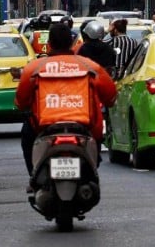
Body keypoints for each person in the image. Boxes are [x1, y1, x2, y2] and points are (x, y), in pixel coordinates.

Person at [14, 23, 117, 175]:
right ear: (72, 42)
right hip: (85, 127)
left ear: (49, 44)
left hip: (43, 128)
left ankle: (33, 176)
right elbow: (110, 97)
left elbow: (21, 102)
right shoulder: (90, 67)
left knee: (27, 135)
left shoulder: (34, 68)